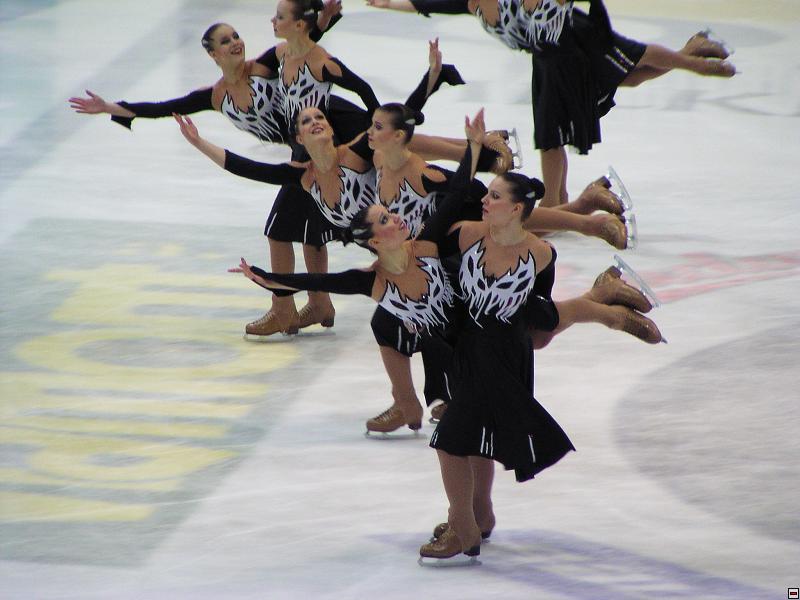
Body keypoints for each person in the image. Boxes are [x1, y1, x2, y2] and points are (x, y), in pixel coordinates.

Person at [366, 0, 736, 207]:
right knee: (628, 79)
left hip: (573, 42)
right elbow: (422, 2)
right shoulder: (469, 2)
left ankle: (691, 61)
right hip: (547, 63)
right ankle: (691, 49)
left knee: (628, 62)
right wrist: (386, 3)